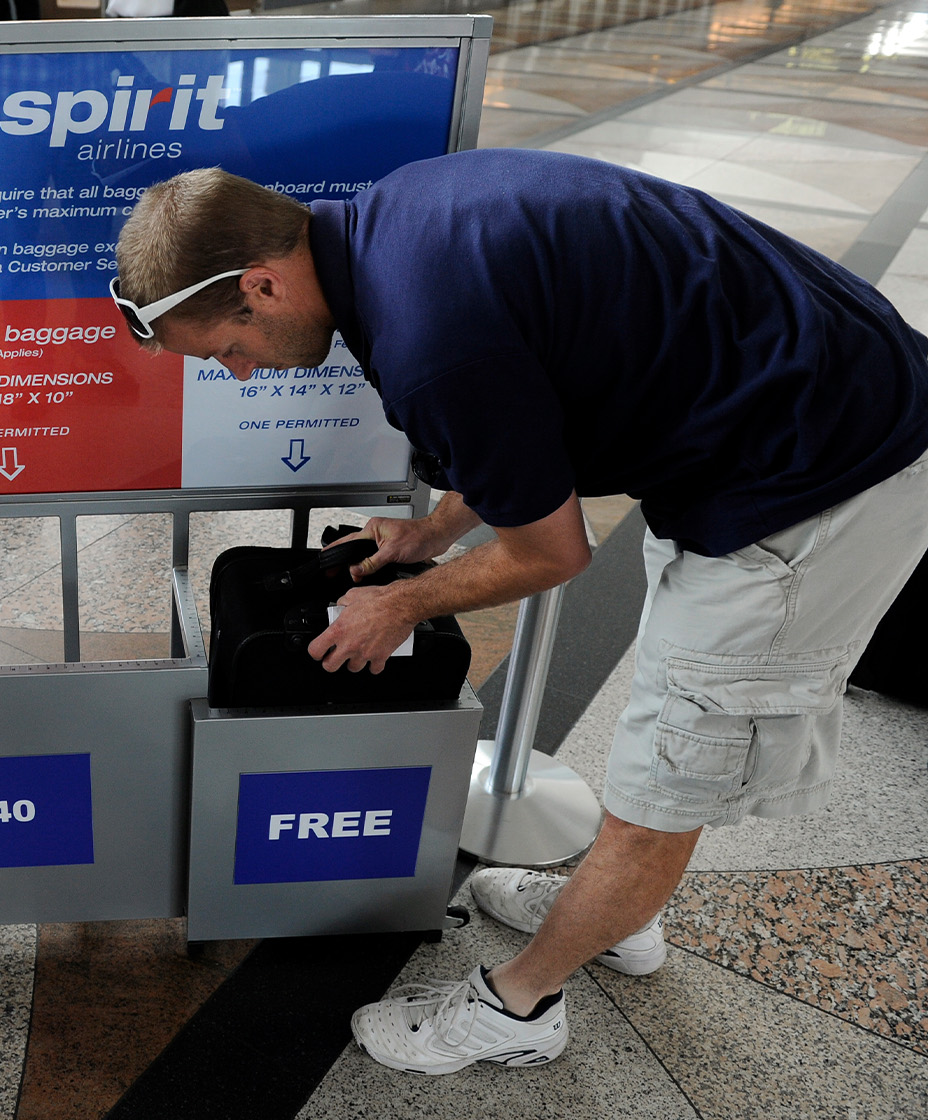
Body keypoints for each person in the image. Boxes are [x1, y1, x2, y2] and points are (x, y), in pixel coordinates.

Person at [110, 152, 928, 1074]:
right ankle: (614, 914)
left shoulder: (428, 337)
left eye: (228, 348)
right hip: (782, 408)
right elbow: (536, 397)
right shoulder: (398, 217)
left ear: (260, 283)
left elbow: (553, 553)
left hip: (821, 479)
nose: (244, 374)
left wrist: (401, 605)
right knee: (667, 724)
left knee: (668, 781)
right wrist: (433, 533)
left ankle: (520, 1009)